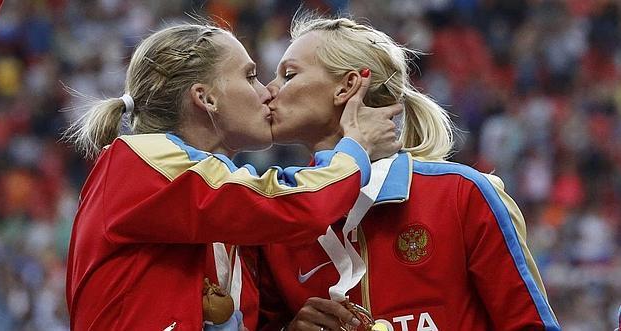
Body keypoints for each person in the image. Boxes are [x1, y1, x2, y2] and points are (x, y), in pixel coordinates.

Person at [64, 22, 402, 330]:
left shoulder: (220, 197)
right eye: (250, 76)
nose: (268, 92)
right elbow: (298, 204)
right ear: (206, 98)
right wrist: (354, 146)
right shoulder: (139, 164)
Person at [258, 15, 561, 331]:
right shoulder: (279, 217)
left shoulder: (462, 194)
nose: (268, 91)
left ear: (347, 87)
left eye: (288, 75)